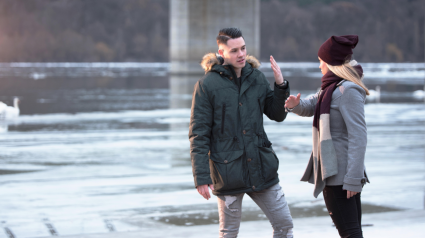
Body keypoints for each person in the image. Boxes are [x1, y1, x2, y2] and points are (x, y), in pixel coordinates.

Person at [189, 27, 294, 238]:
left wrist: (281, 86)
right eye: (235, 50)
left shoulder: (256, 78)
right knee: (229, 233)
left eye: (243, 48)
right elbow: (199, 134)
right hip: (227, 172)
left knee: (284, 225)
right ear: (221, 53)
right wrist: (201, 177)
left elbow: (277, 115)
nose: (242, 54)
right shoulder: (206, 85)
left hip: (261, 167)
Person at [285, 35, 369, 238]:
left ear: (332, 62)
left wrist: (353, 179)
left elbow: (359, 137)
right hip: (333, 173)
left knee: (350, 233)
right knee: (352, 232)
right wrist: (295, 105)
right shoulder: (329, 88)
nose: (320, 65)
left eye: (322, 60)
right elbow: (311, 105)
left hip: (341, 177)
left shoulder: (347, 90)